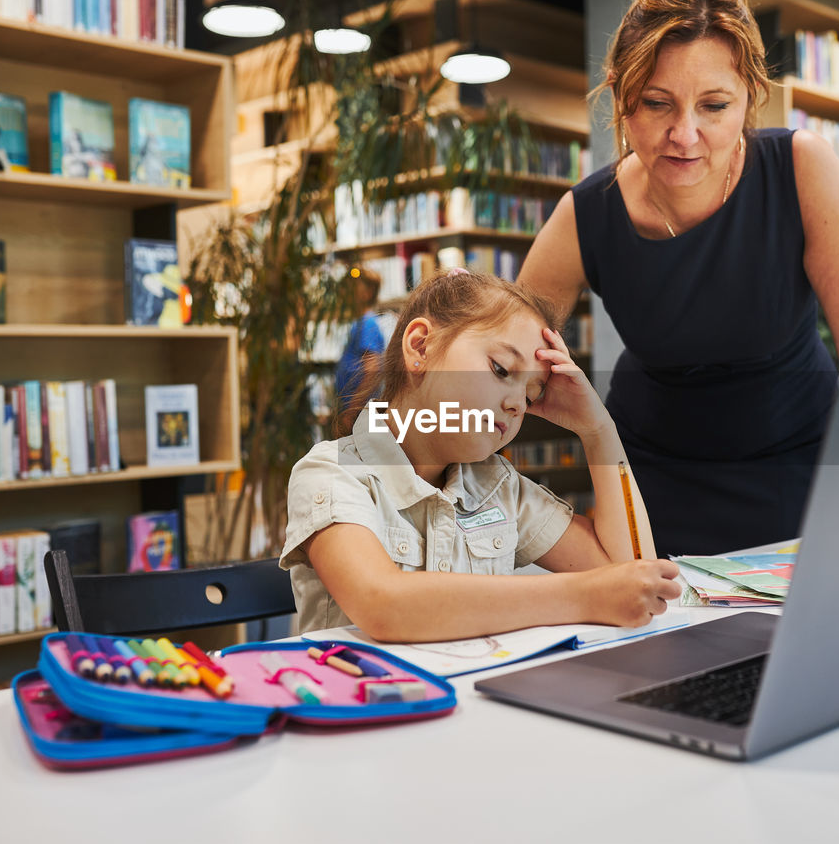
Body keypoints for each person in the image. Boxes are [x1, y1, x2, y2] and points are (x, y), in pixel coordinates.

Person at [517, 0, 839, 556]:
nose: (685, 134)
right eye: (656, 103)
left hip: (802, 470)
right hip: (652, 485)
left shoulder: (802, 169)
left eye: (714, 106)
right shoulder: (586, 213)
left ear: (750, 98)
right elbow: (498, 358)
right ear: (622, 100)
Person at [280, 269, 683, 641]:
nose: (518, 406)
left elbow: (636, 580)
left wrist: (598, 430)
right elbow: (383, 603)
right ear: (420, 346)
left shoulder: (498, 487)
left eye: (533, 395)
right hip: (370, 713)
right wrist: (580, 595)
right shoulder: (333, 474)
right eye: (501, 369)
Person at [334, 267, 386, 411]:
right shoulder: (360, 322)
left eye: (351, 288)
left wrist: (354, 408)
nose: (345, 293)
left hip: (360, 411)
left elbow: (373, 369)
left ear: (367, 294)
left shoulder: (368, 323)